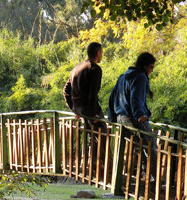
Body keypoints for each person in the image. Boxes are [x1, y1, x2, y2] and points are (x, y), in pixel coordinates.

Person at [107, 52, 157, 180]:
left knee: (138, 147)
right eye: (151, 67)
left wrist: (111, 118)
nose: (152, 70)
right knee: (151, 145)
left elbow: (112, 97)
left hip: (121, 118)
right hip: (133, 117)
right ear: (145, 66)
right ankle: (153, 179)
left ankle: (143, 175)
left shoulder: (123, 76)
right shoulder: (140, 77)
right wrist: (140, 114)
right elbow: (136, 97)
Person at [63, 42, 107, 172]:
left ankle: (90, 165)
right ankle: (102, 167)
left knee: (90, 135)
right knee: (102, 133)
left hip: (79, 109)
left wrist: (72, 108)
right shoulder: (95, 69)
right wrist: (93, 112)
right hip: (89, 109)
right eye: (102, 53)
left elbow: (66, 91)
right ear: (98, 53)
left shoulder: (76, 68)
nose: (102, 56)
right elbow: (93, 93)